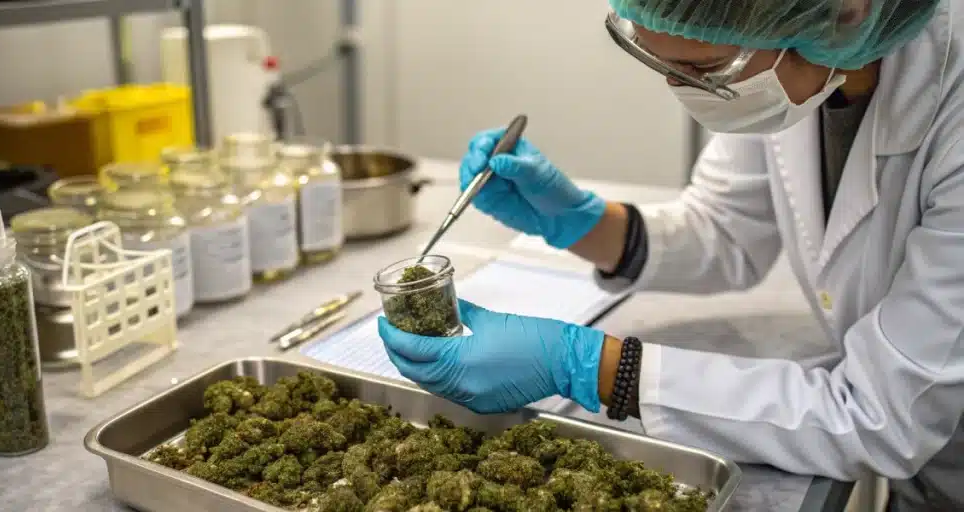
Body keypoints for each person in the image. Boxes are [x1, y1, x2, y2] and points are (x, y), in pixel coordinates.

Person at [376, 0, 963, 510]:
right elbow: (728, 228)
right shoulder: (802, 61)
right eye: (661, 63)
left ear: (846, 12)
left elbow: (881, 415)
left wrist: (593, 366)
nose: (679, 89)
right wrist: (583, 222)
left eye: (701, 70)